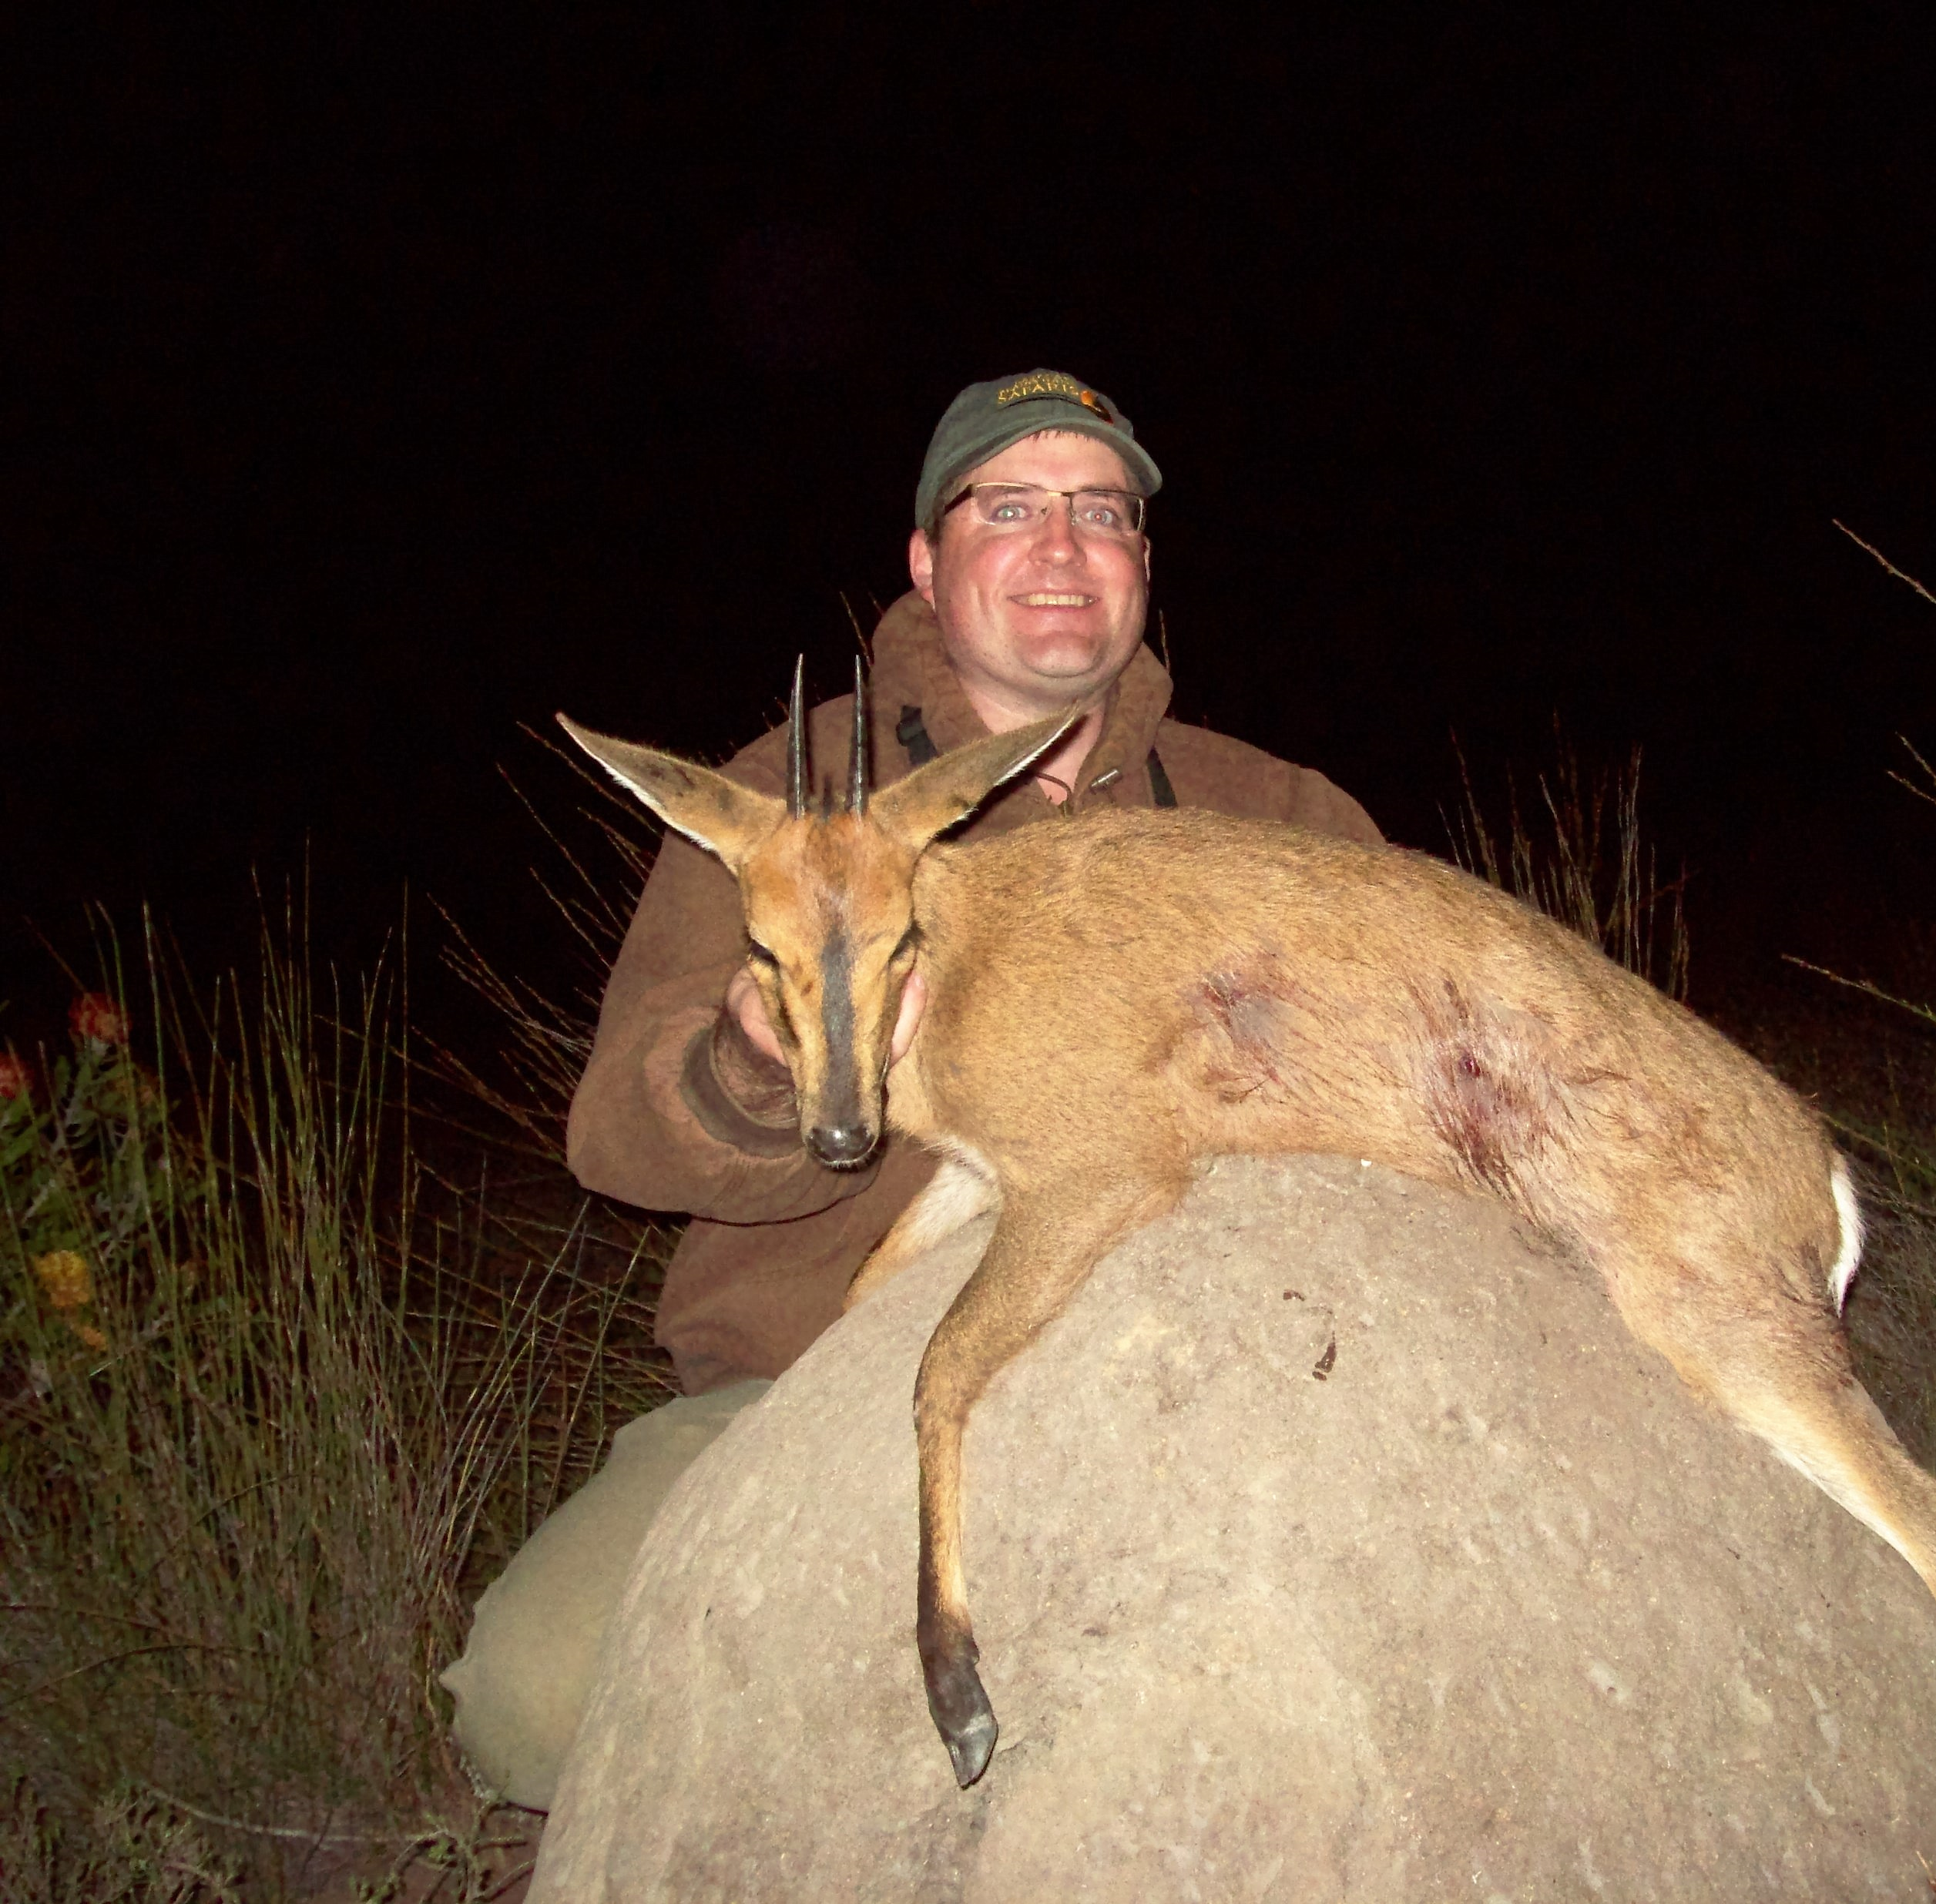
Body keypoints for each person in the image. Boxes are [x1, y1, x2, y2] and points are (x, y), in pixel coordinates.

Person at [439, 368, 1384, 1806]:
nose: (1062, 548)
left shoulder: (1278, 810)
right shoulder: (777, 802)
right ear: (928, 565)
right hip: (813, 1376)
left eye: (1102, 513)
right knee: (530, 1706)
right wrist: (763, 1060)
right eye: (1010, 509)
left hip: (1200, 1352)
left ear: (1143, 561)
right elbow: (615, 1136)